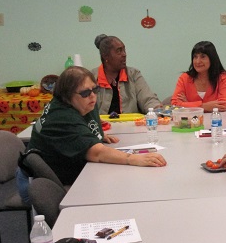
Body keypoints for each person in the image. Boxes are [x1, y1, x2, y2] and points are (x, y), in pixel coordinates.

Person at [16, 66, 167, 204]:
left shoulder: (82, 103)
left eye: (94, 89)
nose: (93, 96)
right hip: (42, 186)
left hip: (67, 173)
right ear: (67, 95)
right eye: (85, 93)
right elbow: (97, 154)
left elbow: (87, 127)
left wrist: (94, 136)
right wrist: (134, 158)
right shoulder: (62, 117)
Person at [92, 34, 162, 115]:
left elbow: (148, 99)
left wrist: (157, 109)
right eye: (119, 51)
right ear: (105, 56)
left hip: (130, 125)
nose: (124, 54)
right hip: (102, 126)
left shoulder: (134, 74)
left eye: (124, 50)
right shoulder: (91, 77)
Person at [170, 41, 226, 112]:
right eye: (195, 57)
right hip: (191, 122)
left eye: (203, 57)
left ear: (212, 59)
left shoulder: (223, 77)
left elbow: (222, 106)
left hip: (216, 121)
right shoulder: (185, 78)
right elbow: (175, 105)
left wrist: (187, 104)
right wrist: (204, 106)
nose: (197, 61)